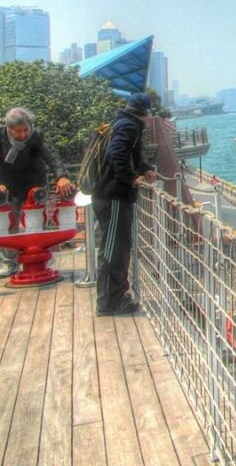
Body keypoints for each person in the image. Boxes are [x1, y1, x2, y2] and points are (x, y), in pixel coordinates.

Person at [0, 107, 75, 278]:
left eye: (26, 129)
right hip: (8, 185)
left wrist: (61, 176)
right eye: (18, 131)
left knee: (37, 222)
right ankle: (9, 263)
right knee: (8, 224)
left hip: (33, 184)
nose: (23, 135)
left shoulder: (36, 136)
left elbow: (52, 156)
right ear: (8, 129)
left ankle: (41, 258)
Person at [94, 93, 155, 316]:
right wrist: (131, 178)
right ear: (146, 112)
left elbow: (129, 154)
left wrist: (144, 166)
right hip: (114, 197)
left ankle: (116, 295)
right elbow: (117, 154)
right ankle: (108, 302)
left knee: (118, 247)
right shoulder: (130, 126)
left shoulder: (120, 122)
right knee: (114, 250)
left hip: (108, 196)